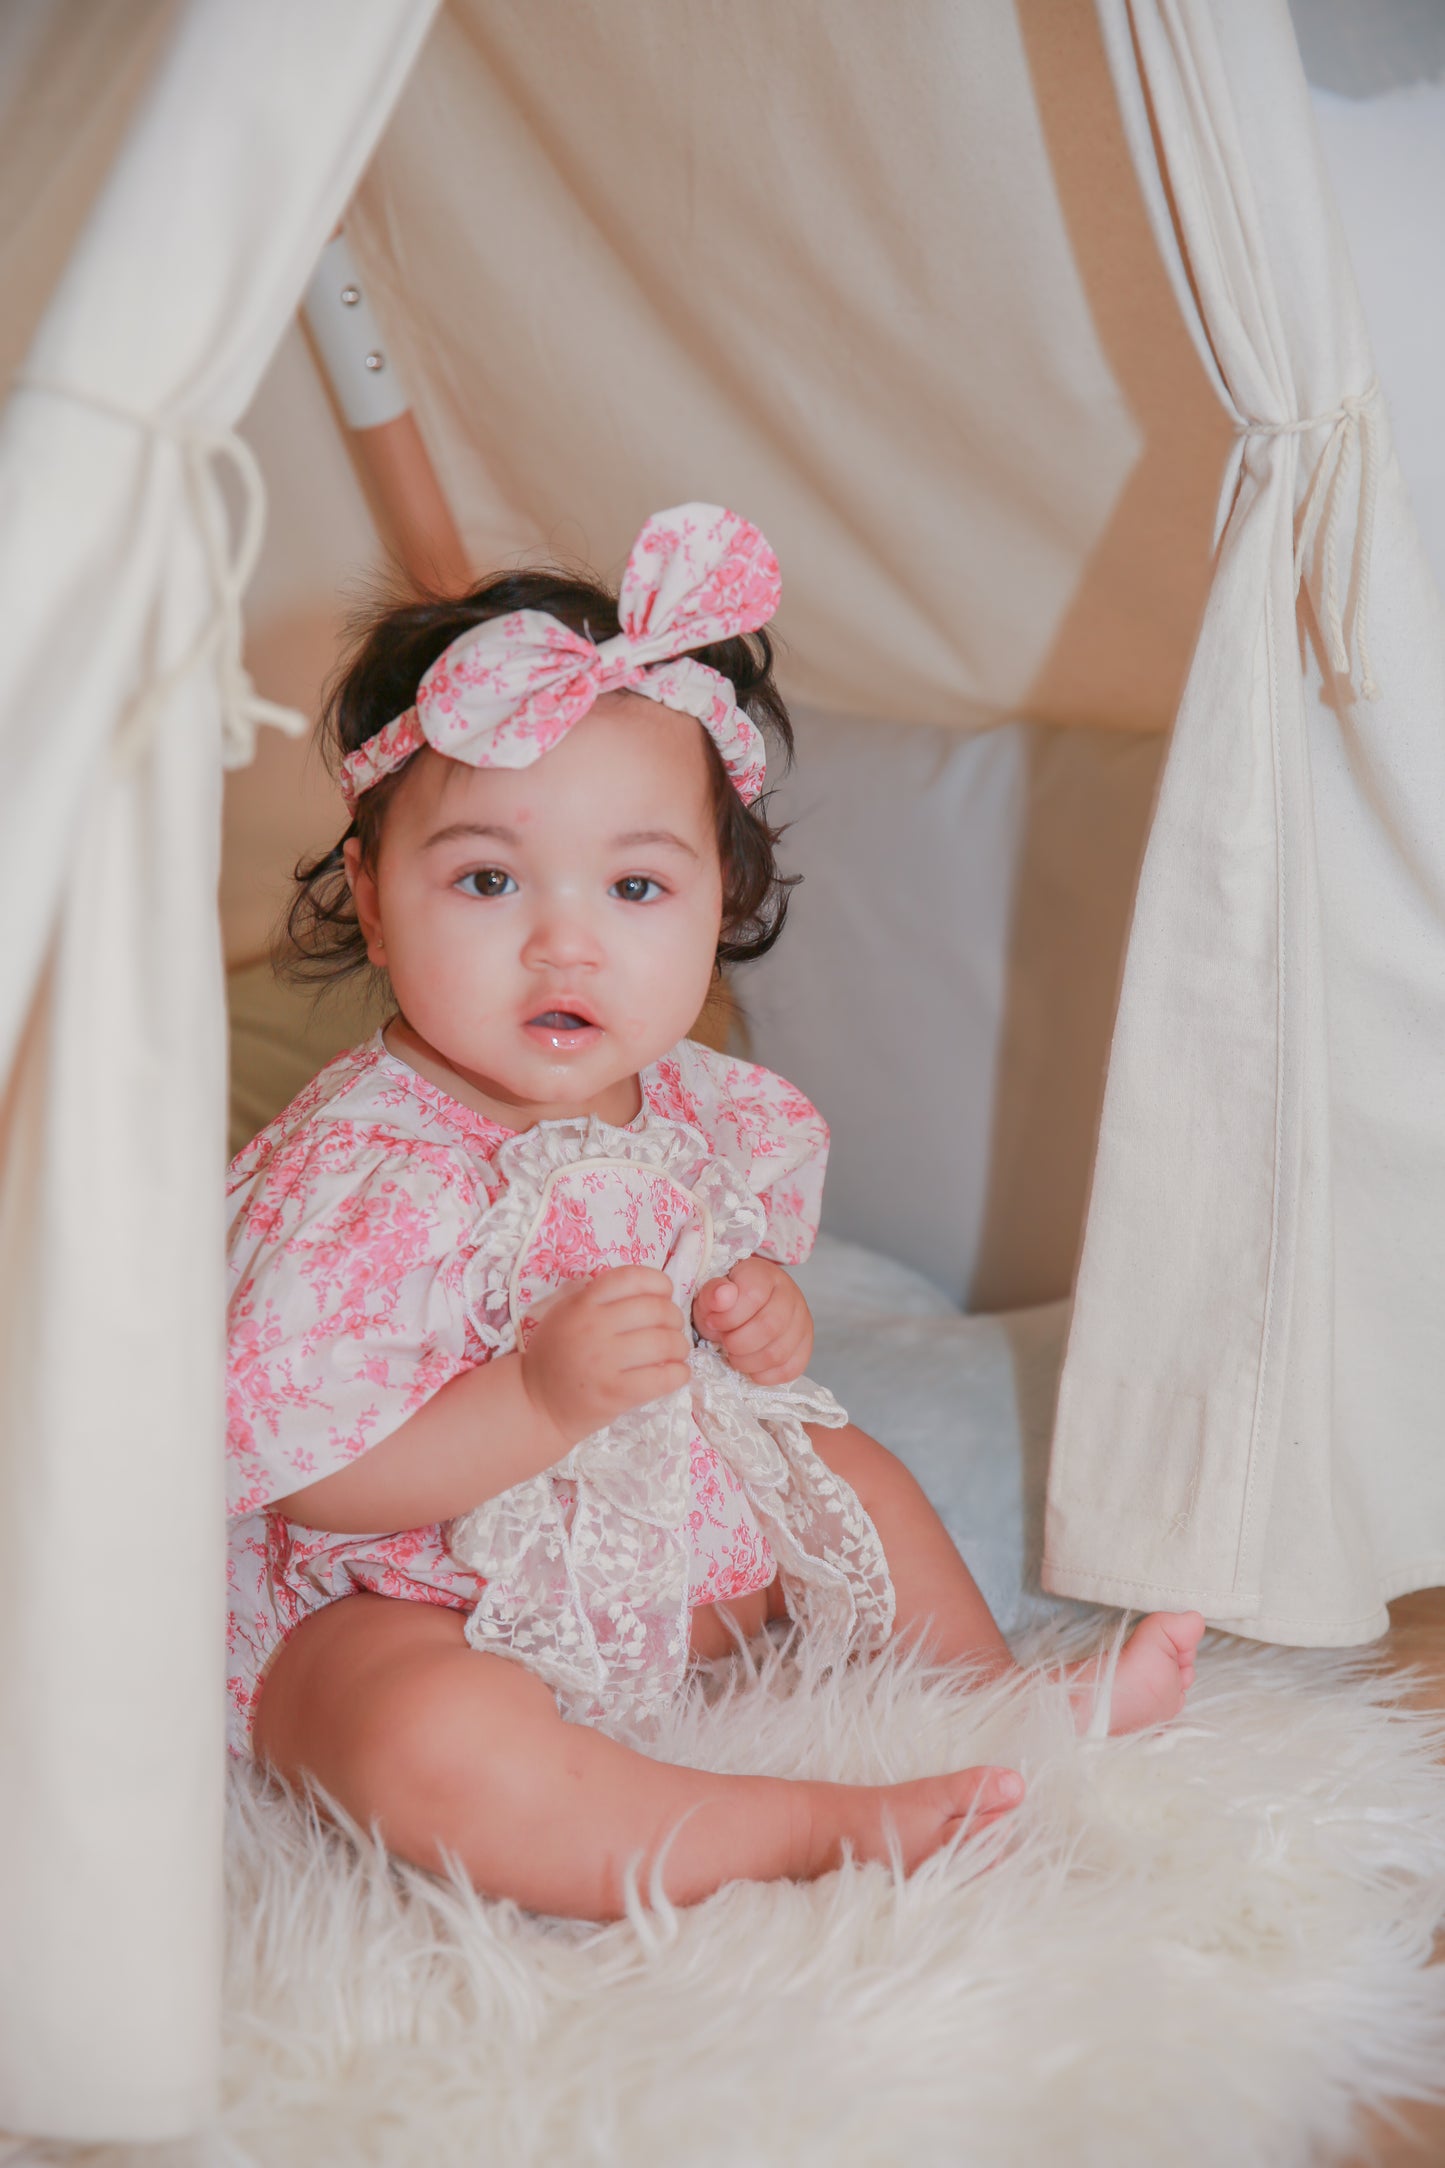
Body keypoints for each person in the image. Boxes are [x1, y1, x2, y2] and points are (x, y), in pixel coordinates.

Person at [227, 503, 1203, 1921]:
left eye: (634, 884)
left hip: (648, 1540)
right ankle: (782, 1829)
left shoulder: (692, 1106)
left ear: (715, 905)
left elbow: (719, 1297)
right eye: (487, 879)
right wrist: (537, 1405)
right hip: (398, 1583)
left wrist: (759, 1317)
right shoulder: (355, 1167)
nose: (566, 939)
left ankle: (983, 1704)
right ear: (373, 903)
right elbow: (304, 1467)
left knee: (847, 1467)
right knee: (407, 1735)